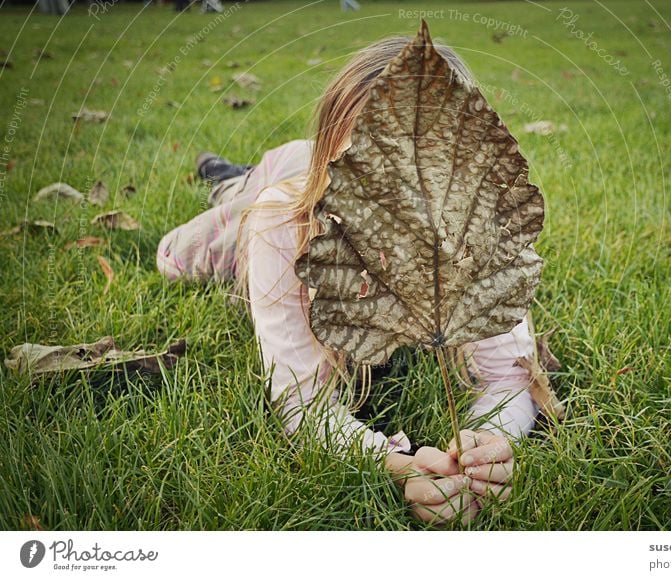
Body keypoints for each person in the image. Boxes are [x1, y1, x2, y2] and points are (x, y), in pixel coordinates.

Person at [156, 35, 549, 525]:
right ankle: (228, 180)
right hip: (283, 182)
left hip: (306, 161)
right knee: (180, 253)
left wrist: (491, 442)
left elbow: (509, 377)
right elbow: (303, 400)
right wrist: (393, 463)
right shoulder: (280, 224)